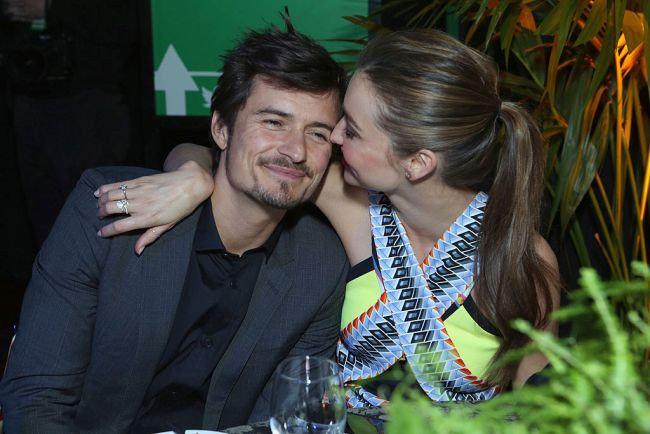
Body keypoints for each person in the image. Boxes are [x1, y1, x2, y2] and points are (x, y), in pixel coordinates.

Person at [92, 29, 561, 405]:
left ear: (417, 163)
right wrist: (190, 175)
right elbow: (230, 155)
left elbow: (541, 398)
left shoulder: (520, 257)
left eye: (351, 130)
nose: (332, 137)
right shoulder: (349, 200)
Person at [0, 26, 349, 432]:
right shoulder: (109, 208)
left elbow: (285, 418)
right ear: (221, 129)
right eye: (274, 122)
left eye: (317, 133)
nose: (296, 150)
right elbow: (38, 396)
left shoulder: (320, 265)